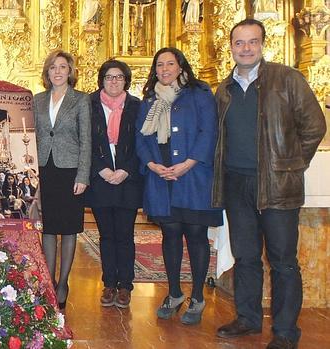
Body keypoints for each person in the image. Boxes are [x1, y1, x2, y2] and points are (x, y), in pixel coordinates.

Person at [213, 19, 326, 349]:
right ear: (231, 47)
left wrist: (290, 165)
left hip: (277, 187)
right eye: (239, 43)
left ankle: (286, 331)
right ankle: (247, 318)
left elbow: (314, 127)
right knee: (246, 257)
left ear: (262, 44)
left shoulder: (287, 79)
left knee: (283, 261)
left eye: (252, 42)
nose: (245, 48)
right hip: (236, 184)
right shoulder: (224, 89)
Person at [136, 47, 222, 325]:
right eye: (159, 65)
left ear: (181, 66)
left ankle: (197, 296)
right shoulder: (149, 101)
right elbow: (141, 138)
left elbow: (208, 132)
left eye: (169, 64)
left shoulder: (199, 93)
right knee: (170, 234)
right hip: (161, 178)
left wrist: (188, 163)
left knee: (196, 234)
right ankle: (174, 293)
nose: (164, 69)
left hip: (193, 177)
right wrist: (152, 165)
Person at [33, 49, 91, 310]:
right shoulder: (36, 100)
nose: (57, 71)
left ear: (70, 72)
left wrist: (83, 175)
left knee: (68, 228)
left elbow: (87, 141)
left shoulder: (81, 100)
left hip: (70, 171)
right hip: (45, 169)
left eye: (63, 67)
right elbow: (31, 137)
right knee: (47, 227)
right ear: (47, 72)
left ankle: (63, 282)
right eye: (53, 67)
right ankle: (49, 279)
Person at [85, 59, 143, 308]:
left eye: (119, 77)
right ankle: (109, 283)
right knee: (107, 235)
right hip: (101, 179)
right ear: (102, 80)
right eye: (109, 77)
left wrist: (125, 170)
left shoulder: (137, 106)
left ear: (126, 80)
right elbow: (83, 141)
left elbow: (143, 142)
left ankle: (125, 286)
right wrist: (102, 170)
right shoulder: (88, 105)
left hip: (128, 179)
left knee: (125, 235)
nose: (114, 81)